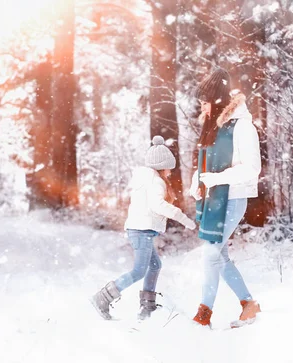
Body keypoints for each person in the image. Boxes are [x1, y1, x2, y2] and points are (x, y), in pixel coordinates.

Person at [91, 135, 196, 320]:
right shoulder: (156, 181)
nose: (170, 173)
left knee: (155, 265)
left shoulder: (144, 179)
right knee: (139, 271)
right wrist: (183, 218)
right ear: (162, 166)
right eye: (168, 169)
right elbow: (158, 206)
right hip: (141, 231)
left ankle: (147, 307)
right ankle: (103, 298)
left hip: (140, 230)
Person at [189, 67, 262, 328]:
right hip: (213, 201)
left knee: (210, 254)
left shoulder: (243, 127)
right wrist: (195, 185)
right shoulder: (213, 129)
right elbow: (204, 166)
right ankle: (249, 305)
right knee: (220, 257)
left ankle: (203, 315)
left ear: (218, 101)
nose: (203, 109)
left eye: (205, 103)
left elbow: (253, 168)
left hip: (232, 200)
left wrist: (217, 180)